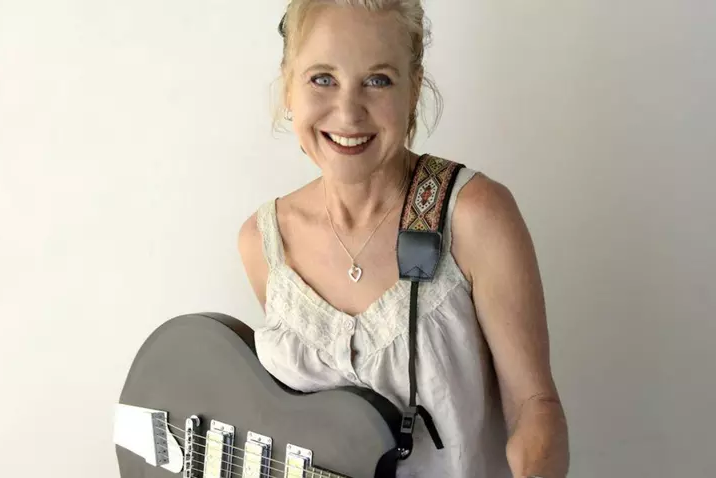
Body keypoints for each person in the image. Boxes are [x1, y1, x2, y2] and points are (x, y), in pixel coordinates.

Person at [238, 1, 569, 476]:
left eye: (378, 80)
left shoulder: (474, 216)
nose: (348, 112)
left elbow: (534, 405)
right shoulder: (264, 243)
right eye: (322, 78)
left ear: (414, 90)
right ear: (289, 85)